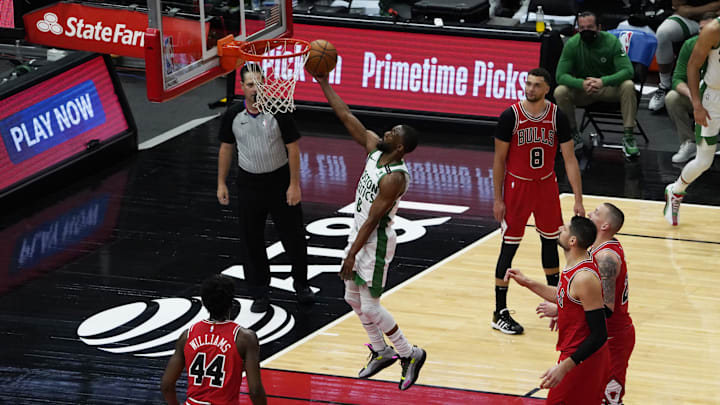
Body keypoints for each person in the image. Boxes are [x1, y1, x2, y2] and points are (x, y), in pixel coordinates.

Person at [313, 72, 427, 391]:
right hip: (358, 233)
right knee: (351, 298)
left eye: (392, 132)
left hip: (375, 242)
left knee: (372, 305)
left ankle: (410, 354)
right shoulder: (375, 149)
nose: (386, 132)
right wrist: (323, 82)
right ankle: (381, 352)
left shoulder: (395, 177)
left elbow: (374, 220)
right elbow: (345, 115)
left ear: (400, 146)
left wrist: (351, 254)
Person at [492, 67, 585, 335]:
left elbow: (569, 158)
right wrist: (498, 198)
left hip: (546, 185)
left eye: (536, 85)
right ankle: (499, 311)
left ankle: (560, 304)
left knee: (551, 243)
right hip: (517, 186)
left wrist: (578, 199)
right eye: (528, 84)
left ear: (547, 89)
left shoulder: (557, 116)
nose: (530, 89)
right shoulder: (510, 116)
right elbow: (499, 160)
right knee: (509, 248)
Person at [217, 63, 315, 312]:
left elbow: (293, 148)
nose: (255, 89)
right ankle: (260, 291)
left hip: (279, 181)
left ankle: (302, 285)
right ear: (242, 87)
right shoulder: (232, 115)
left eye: (259, 83)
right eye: (250, 84)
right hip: (249, 183)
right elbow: (226, 148)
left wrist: (294, 184)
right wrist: (221, 182)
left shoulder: (279, 112)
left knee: (293, 237)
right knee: (252, 239)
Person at [505, 216, 609, 404]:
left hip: (583, 358)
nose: (560, 227)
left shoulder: (583, 278)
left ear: (572, 241)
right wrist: (527, 282)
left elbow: (599, 334)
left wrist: (565, 367)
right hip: (575, 354)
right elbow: (565, 295)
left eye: (565, 228)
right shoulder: (574, 265)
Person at [538, 203, 635, 405]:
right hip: (601, 337)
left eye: (596, 213)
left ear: (605, 225)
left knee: (609, 401)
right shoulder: (596, 249)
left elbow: (605, 309)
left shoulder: (605, 258)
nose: (590, 213)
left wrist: (561, 309)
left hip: (612, 337)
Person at [161, 275, 267, 405]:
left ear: (204, 303)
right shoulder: (244, 338)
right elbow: (255, 391)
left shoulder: (187, 335)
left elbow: (166, 385)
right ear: (232, 303)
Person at [554, 11, 639, 158]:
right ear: (578, 29)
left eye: (590, 27)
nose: (586, 30)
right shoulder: (572, 44)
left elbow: (628, 71)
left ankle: (629, 137)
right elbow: (560, 76)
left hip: (608, 88)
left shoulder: (611, 41)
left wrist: (603, 81)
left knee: (628, 85)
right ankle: (574, 134)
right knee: (560, 91)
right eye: (582, 28)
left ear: (599, 27)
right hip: (585, 90)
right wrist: (581, 83)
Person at [664, 17, 720, 226]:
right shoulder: (714, 30)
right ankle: (676, 190)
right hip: (712, 99)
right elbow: (693, 67)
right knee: (704, 161)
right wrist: (696, 104)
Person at [649, 0, 720, 112]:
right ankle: (664, 85)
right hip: (690, 20)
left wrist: (691, 10)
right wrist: (708, 8)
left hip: (715, 19)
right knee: (663, 32)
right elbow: (677, 5)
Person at [665, 12, 716, 163]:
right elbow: (677, 79)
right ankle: (689, 143)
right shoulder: (690, 45)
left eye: (708, 30)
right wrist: (693, 96)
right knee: (672, 98)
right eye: (701, 29)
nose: (703, 34)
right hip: (699, 97)